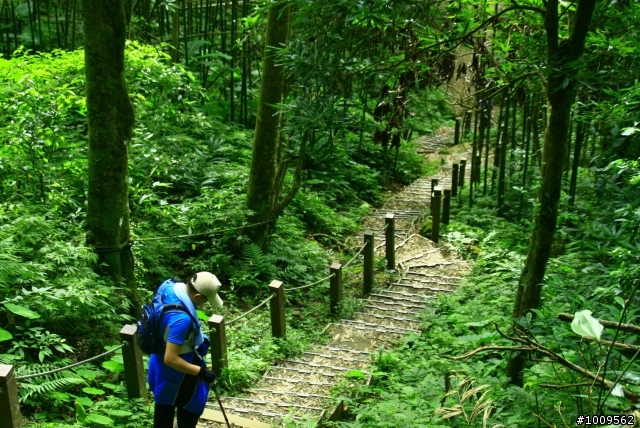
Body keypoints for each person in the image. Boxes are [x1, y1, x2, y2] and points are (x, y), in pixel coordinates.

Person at [147, 272, 224, 428]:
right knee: (190, 407)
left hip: (157, 362)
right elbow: (171, 358)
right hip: (176, 370)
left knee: (163, 408)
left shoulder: (169, 287)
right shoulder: (182, 319)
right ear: (197, 296)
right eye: (206, 300)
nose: (205, 304)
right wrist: (201, 372)